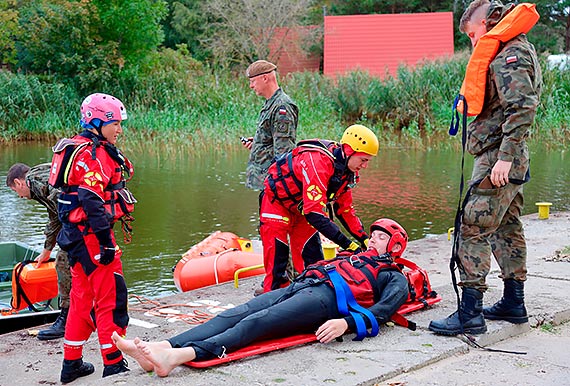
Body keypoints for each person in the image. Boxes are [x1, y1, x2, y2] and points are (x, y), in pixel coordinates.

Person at [112, 218, 410, 377]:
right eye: (373, 234)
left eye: (381, 236)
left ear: (394, 246)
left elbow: (383, 312)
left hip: (325, 302)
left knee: (258, 322)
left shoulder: (393, 276)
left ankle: (177, 357)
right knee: (234, 313)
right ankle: (161, 346)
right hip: (303, 286)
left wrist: (344, 324)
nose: (372, 239)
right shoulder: (355, 256)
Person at [429, 0, 542, 336]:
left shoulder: (510, 54)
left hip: (499, 157)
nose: (473, 42)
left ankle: (470, 313)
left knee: (472, 226)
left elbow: (522, 107)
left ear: (490, 22)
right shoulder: (511, 48)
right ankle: (513, 303)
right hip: (505, 155)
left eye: (474, 34)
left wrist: (505, 157)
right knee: (506, 226)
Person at [52, 93, 137, 383]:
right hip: (91, 237)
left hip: (75, 237)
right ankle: (113, 363)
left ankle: (71, 365)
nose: (119, 130)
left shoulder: (79, 148)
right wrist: (106, 242)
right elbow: (90, 199)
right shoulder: (93, 154)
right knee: (110, 297)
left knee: (80, 300)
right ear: (97, 121)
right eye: (114, 123)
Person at [259, 124, 378, 293]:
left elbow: (344, 211)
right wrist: (348, 245)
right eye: (363, 160)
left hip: (302, 211)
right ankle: (270, 298)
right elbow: (315, 214)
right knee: (277, 261)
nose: (365, 166)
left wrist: (364, 239)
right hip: (277, 203)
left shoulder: (346, 172)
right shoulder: (318, 162)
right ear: (349, 150)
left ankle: (307, 298)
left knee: (313, 263)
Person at [6, 163, 72, 340]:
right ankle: (89, 311)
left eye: (15, 191)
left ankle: (66, 320)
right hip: (90, 218)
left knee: (63, 262)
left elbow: (63, 203)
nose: (20, 197)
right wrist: (46, 249)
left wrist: (71, 231)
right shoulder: (42, 179)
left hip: (82, 220)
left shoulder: (34, 181)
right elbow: (54, 217)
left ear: (19, 182)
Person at [243, 59, 298, 191]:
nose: (251, 86)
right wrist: (257, 143)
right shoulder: (271, 104)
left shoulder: (282, 107)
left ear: (265, 78)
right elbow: (272, 141)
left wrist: (278, 187)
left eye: (253, 81)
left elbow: (284, 152)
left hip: (274, 183)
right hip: (265, 180)